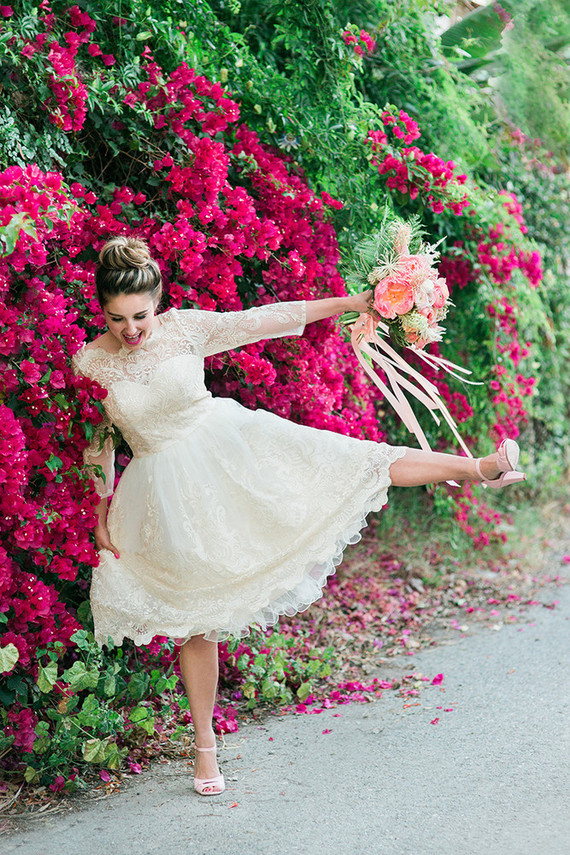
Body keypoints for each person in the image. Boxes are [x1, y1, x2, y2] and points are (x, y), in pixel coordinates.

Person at [72, 236, 525, 796]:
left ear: (159, 302)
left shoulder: (185, 329)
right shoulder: (91, 362)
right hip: (161, 492)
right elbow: (99, 443)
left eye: (140, 315)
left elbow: (266, 319)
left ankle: (481, 465)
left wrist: (350, 303)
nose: (131, 329)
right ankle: (205, 749)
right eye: (118, 319)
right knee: (197, 621)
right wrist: (99, 509)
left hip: (230, 450)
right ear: (103, 311)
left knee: (354, 460)